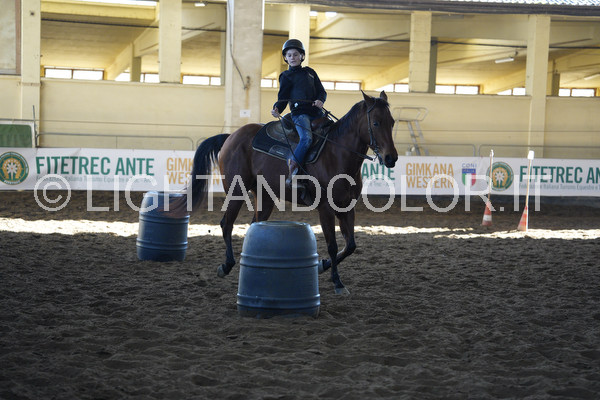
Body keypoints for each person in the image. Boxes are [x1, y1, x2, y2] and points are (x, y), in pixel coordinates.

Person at [271, 39, 327, 189]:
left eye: (296, 54)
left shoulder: (310, 72)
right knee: (306, 139)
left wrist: (320, 100)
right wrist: (277, 109)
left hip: (317, 113)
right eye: (289, 55)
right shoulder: (285, 76)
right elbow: (282, 98)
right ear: (285, 58)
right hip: (300, 114)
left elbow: (321, 91)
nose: (292, 57)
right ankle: (294, 171)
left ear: (302, 56)